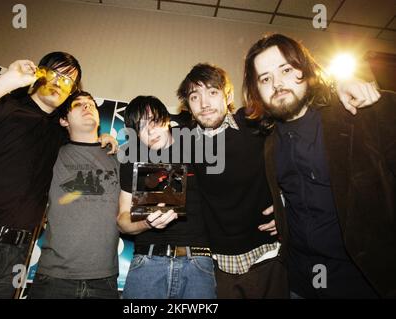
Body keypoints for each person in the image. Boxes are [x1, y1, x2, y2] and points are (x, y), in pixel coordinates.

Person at [176, 62, 381, 298]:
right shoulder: (185, 143)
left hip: (269, 256)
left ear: (227, 95)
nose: (204, 103)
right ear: (188, 106)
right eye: (194, 96)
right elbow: (150, 140)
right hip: (216, 264)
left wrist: (341, 85)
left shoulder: (255, 123)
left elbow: (297, 106)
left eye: (212, 92)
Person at [242, 33, 395, 298]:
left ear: (306, 70)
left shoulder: (362, 111)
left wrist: (341, 81)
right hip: (301, 281)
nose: (277, 84)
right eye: (265, 79)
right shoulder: (268, 140)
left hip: (366, 281)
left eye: (286, 70)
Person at [0, 52, 111, 298]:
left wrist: (104, 138)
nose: (58, 81)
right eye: (54, 73)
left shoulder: (62, 133)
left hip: (15, 254)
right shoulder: (3, 105)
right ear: (39, 73)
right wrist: (7, 81)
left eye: (68, 80)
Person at [117, 95, 216, 299]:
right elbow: (122, 221)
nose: (150, 131)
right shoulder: (131, 157)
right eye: (141, 128)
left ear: (166, 119)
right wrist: (147, 223)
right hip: (147, 260)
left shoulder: (196, 141)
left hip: (198, 261)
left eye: (153, 121)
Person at [24, 90, 120, 299]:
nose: (87, 107)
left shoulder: (119, 158)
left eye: (91, 104)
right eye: (78, 104)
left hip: (105, 280)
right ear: (63, 120)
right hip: (54, 278)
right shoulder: (50, 154)